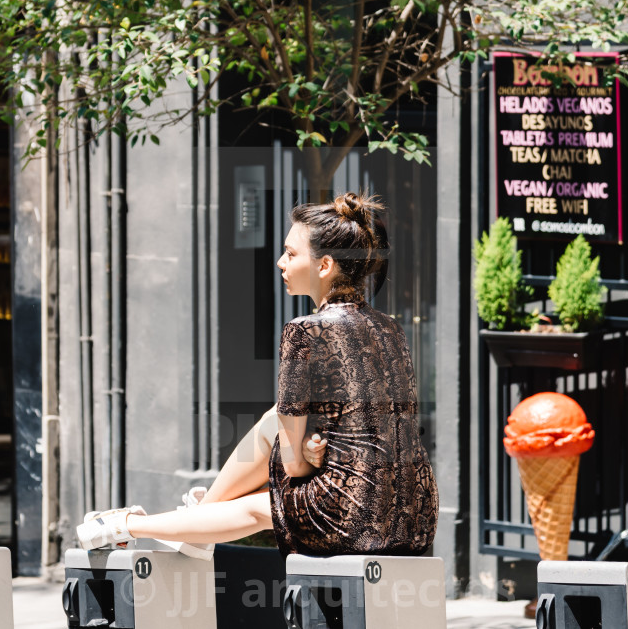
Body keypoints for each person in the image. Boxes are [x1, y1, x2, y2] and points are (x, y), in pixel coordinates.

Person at [76, 192, 439, 558]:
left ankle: (129, 524)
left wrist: (309, 454)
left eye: (292, 254)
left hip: (354, 520)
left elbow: (295, 467)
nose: (281, 262)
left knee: (259, 503)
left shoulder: (304, 331)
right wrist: (314, 444)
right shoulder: (392, 329)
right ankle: (196, 524)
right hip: (418, 517)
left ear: (325, 265)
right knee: (275, 423)